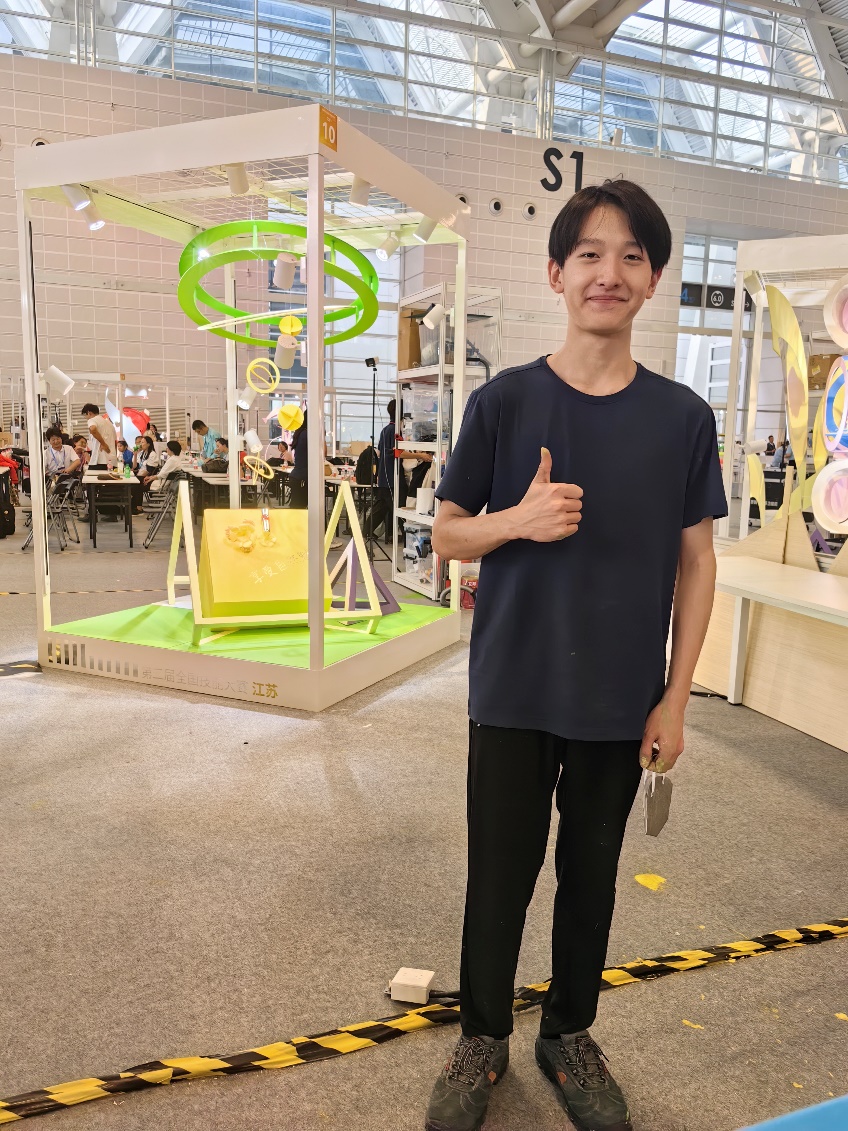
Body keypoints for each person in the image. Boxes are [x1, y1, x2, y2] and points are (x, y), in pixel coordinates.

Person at [426, 179, 727, 1131]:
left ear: (654, 280)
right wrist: (517, 518)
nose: (610, 272)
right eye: (590, 253)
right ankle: (482, 1034)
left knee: (590, 878)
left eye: (632, 255)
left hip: (620, 696)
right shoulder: (505, 402)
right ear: (557, 273)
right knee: (499, 874)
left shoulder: (683, 418)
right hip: (514, 686)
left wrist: (675, 697)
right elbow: (447, 535)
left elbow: (698, 561)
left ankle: (568, 1032)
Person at [82, 404, 117, 469]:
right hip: (112, 461)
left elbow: (93, 429)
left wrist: (103, 444)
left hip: (100, 460)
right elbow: (115, 442)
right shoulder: (109, 424)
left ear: (89, 413)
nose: (86, 418)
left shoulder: (92, 420)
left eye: (85, 415)